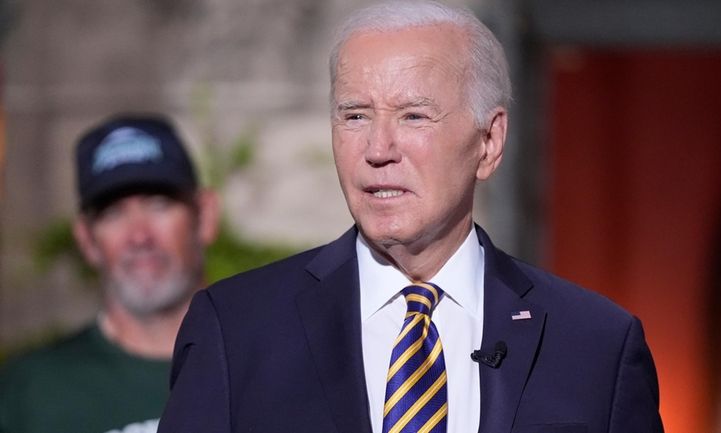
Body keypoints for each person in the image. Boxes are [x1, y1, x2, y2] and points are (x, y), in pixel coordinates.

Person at [159, 1, 664, 432]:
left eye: (414, 116)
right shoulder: (236, 331)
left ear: (489, 143)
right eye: (354, 115)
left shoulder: (597, 347)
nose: (378, 149)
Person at [0, 115, 220, 433]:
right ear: (87, 240)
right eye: (113, 213)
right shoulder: (27, 396)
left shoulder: (272, 365)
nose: (139, 236)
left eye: (158, 204)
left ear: (205, 216)